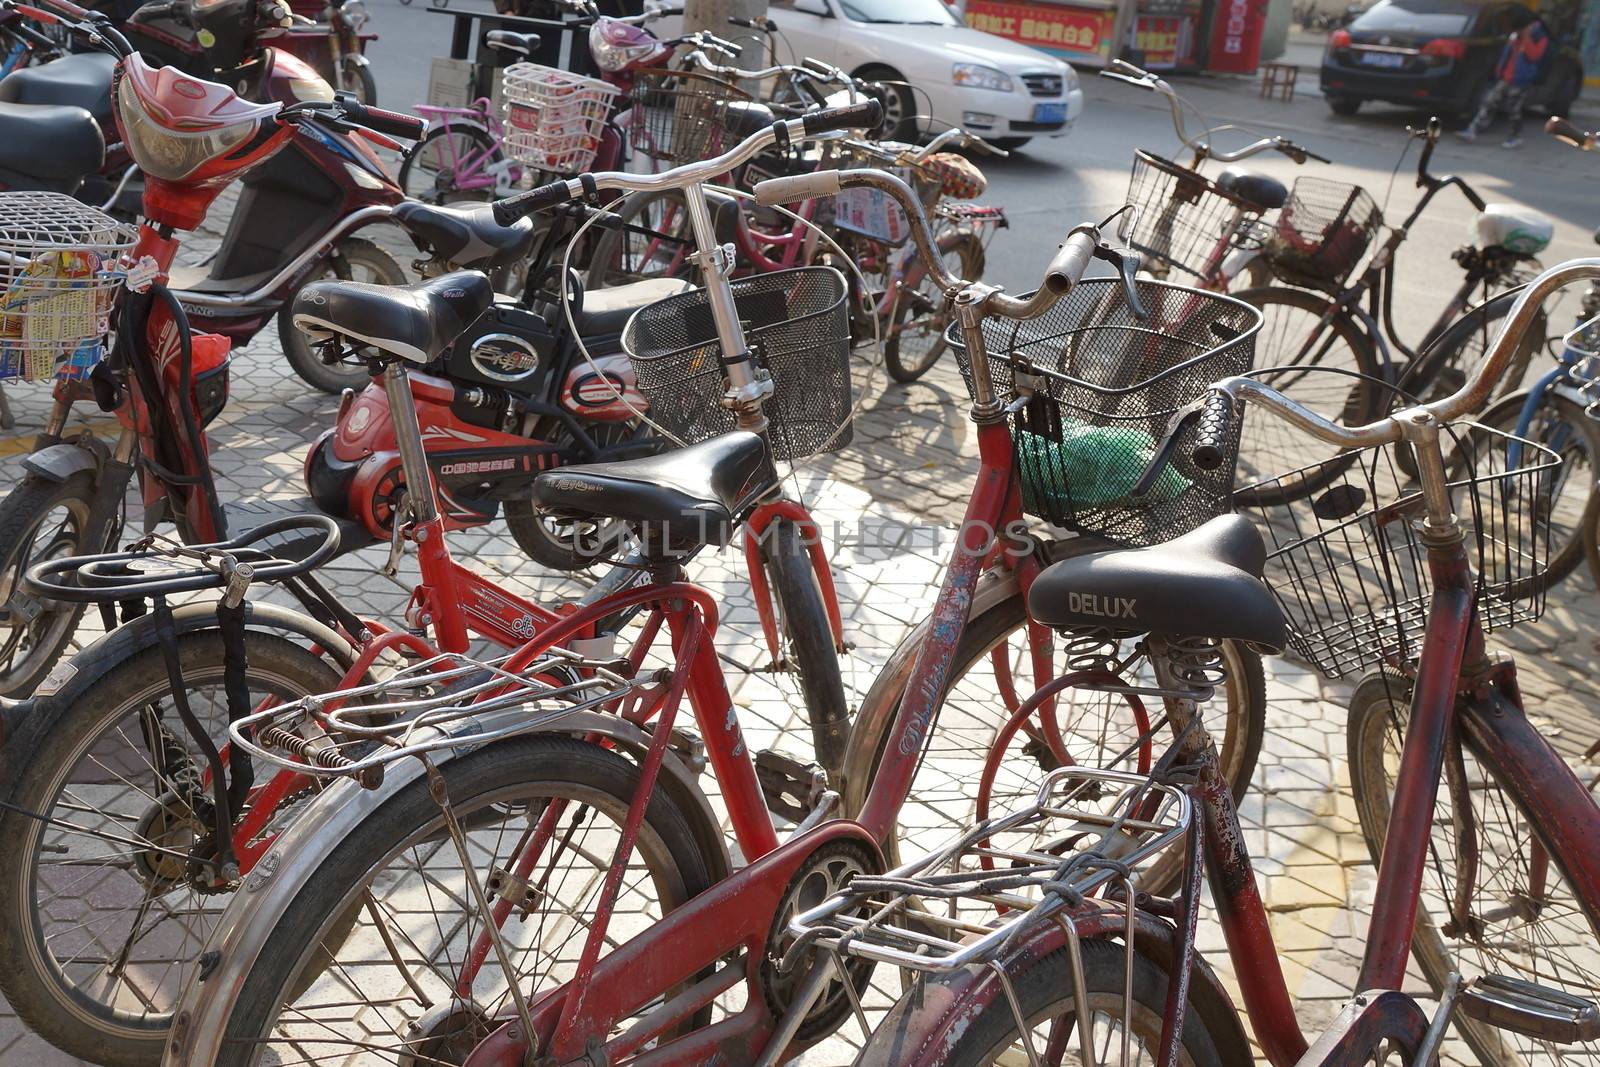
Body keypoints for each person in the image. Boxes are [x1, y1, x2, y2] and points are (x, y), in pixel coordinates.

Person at [1458, 18, 1550, 148]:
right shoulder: (1515, 37)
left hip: (1521, 80)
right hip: (1506, 77)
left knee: (1513, 109)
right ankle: (1472, 130)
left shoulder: (1540, 38)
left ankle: (1515, 136)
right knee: (1489, 102)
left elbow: (1534, 56)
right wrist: (1500, 70)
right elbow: (1506, 54)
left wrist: (1526, 38)